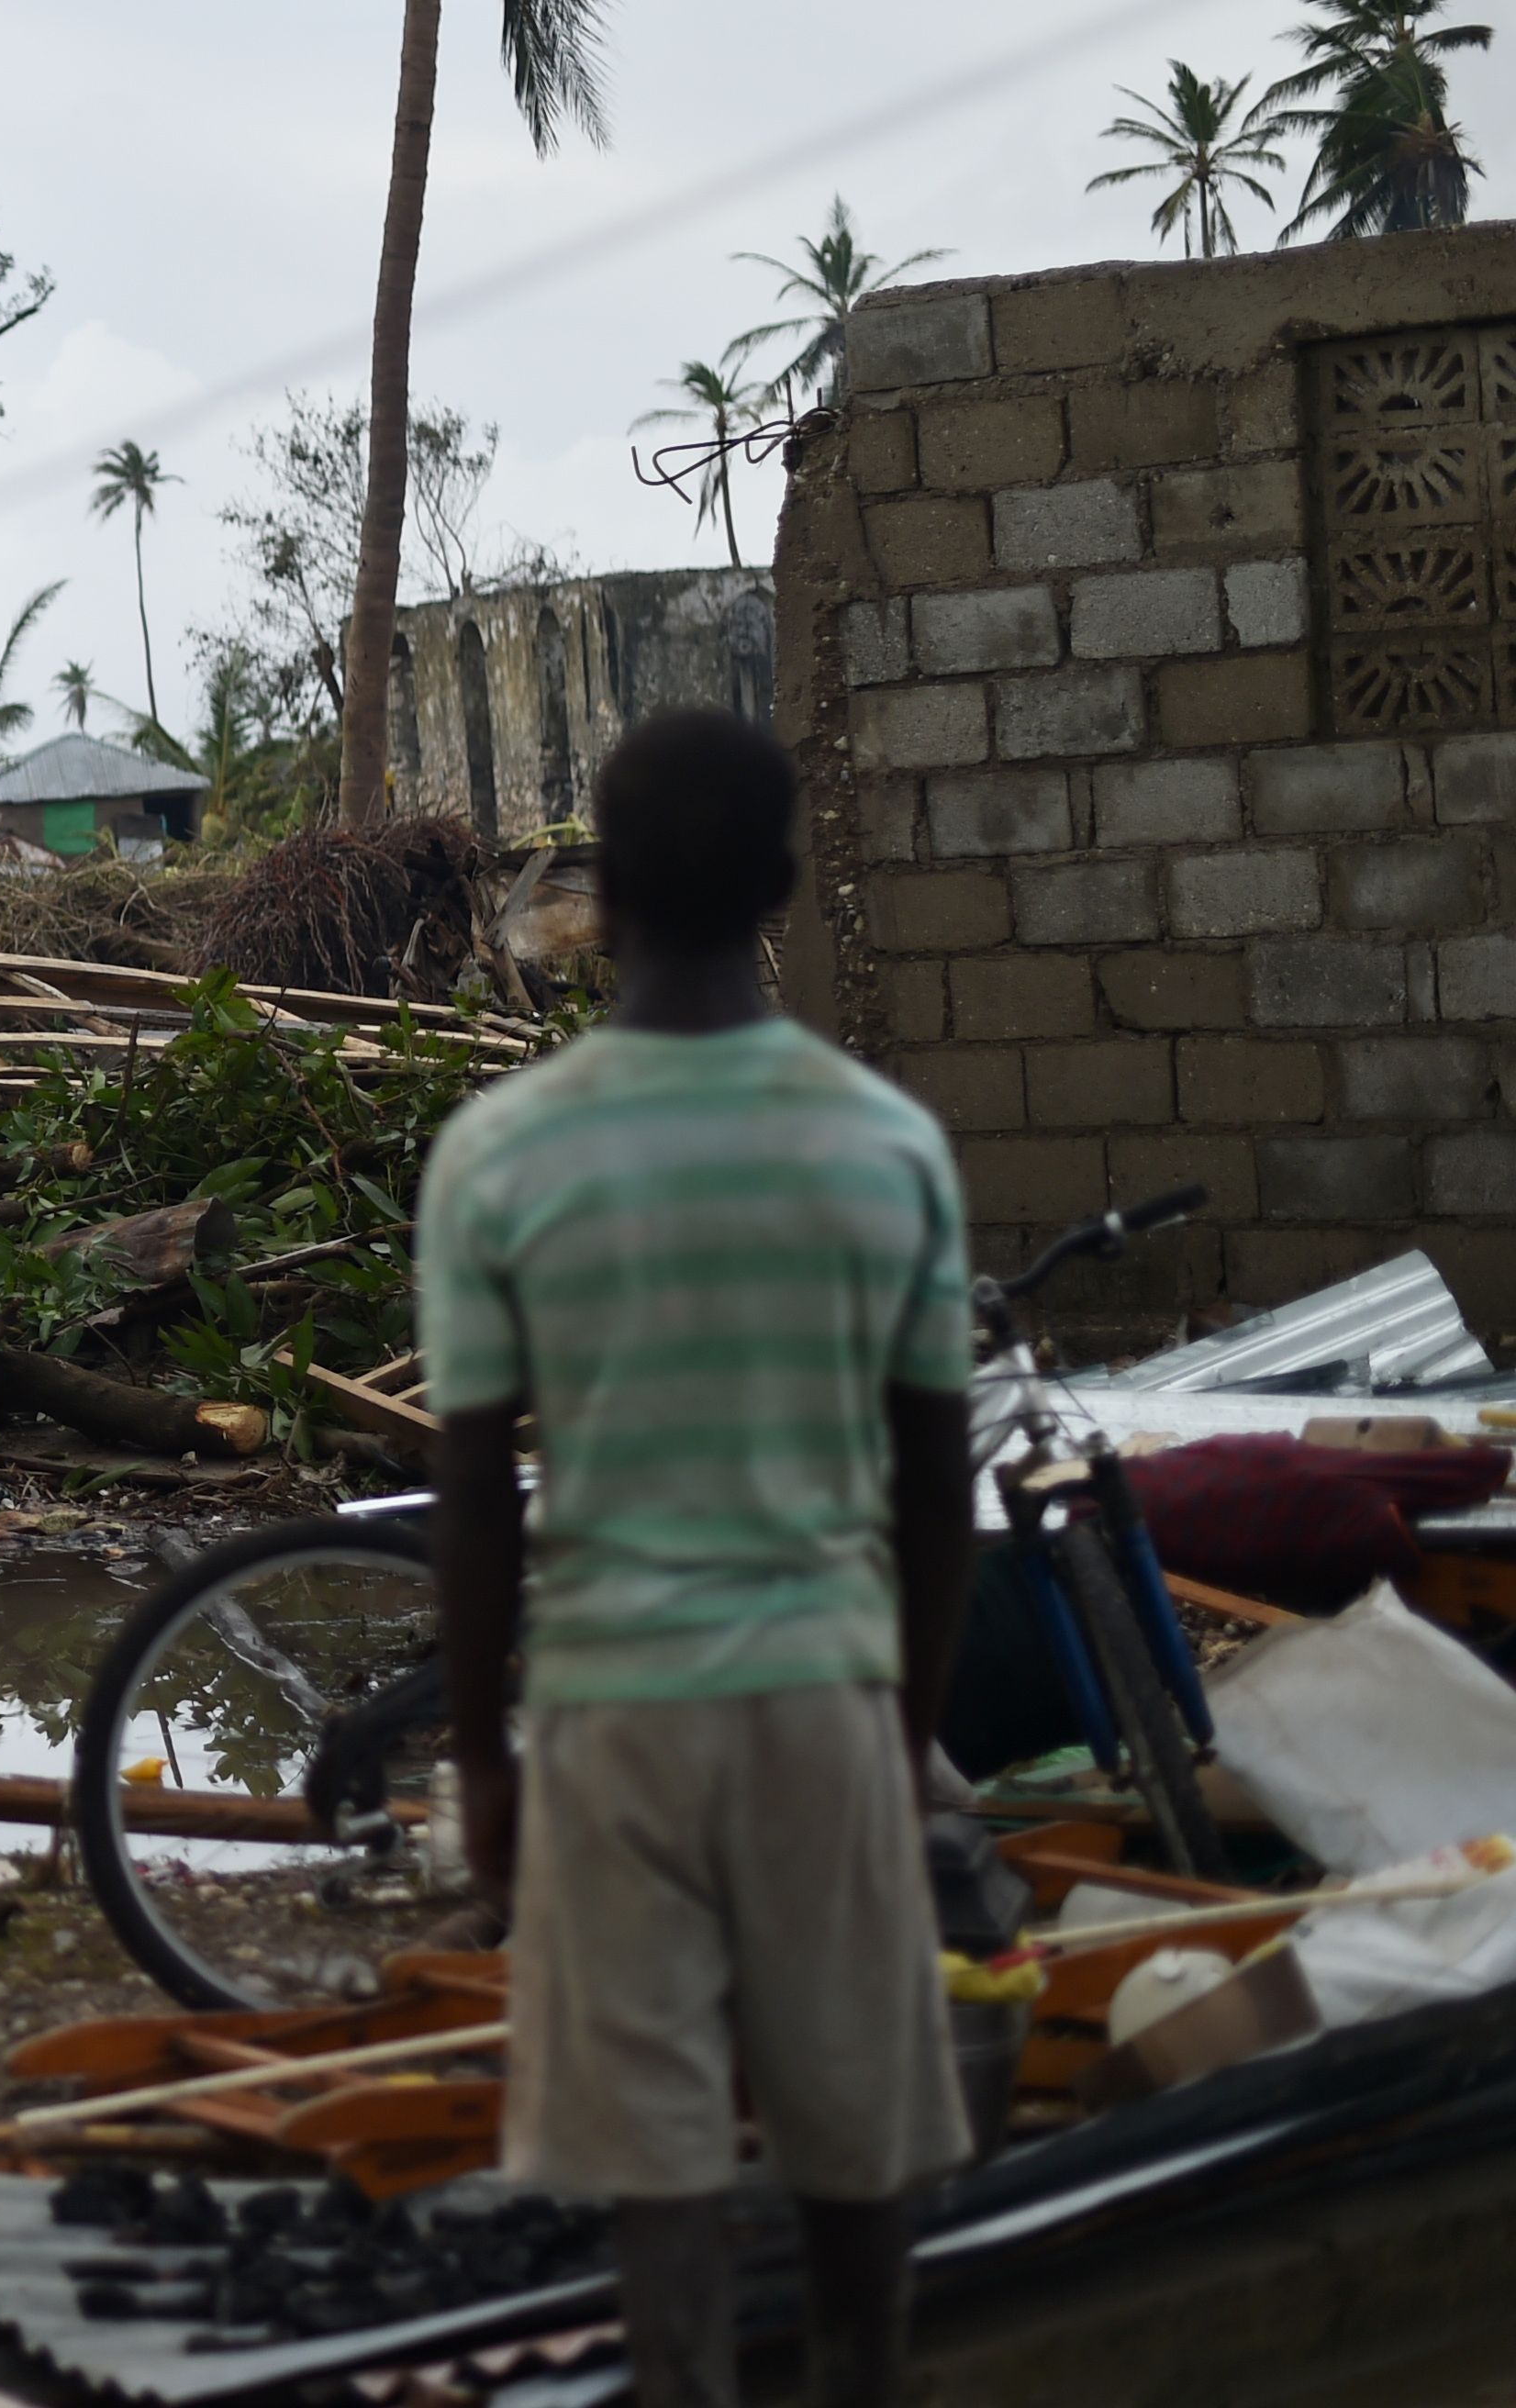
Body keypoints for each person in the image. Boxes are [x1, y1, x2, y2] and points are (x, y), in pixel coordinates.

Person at [426, 709, 981, 2408]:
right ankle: (858, 2372)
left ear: (594, 895)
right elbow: (931, 1486)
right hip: (823, 1693)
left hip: (610, 1720)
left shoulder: (502, 1156)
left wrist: (484, 1757)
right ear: (783, 889)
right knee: (853, 2116)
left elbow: (469, 1498)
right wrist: (898, 1730)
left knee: (652, 2151)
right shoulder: (885, 1146)